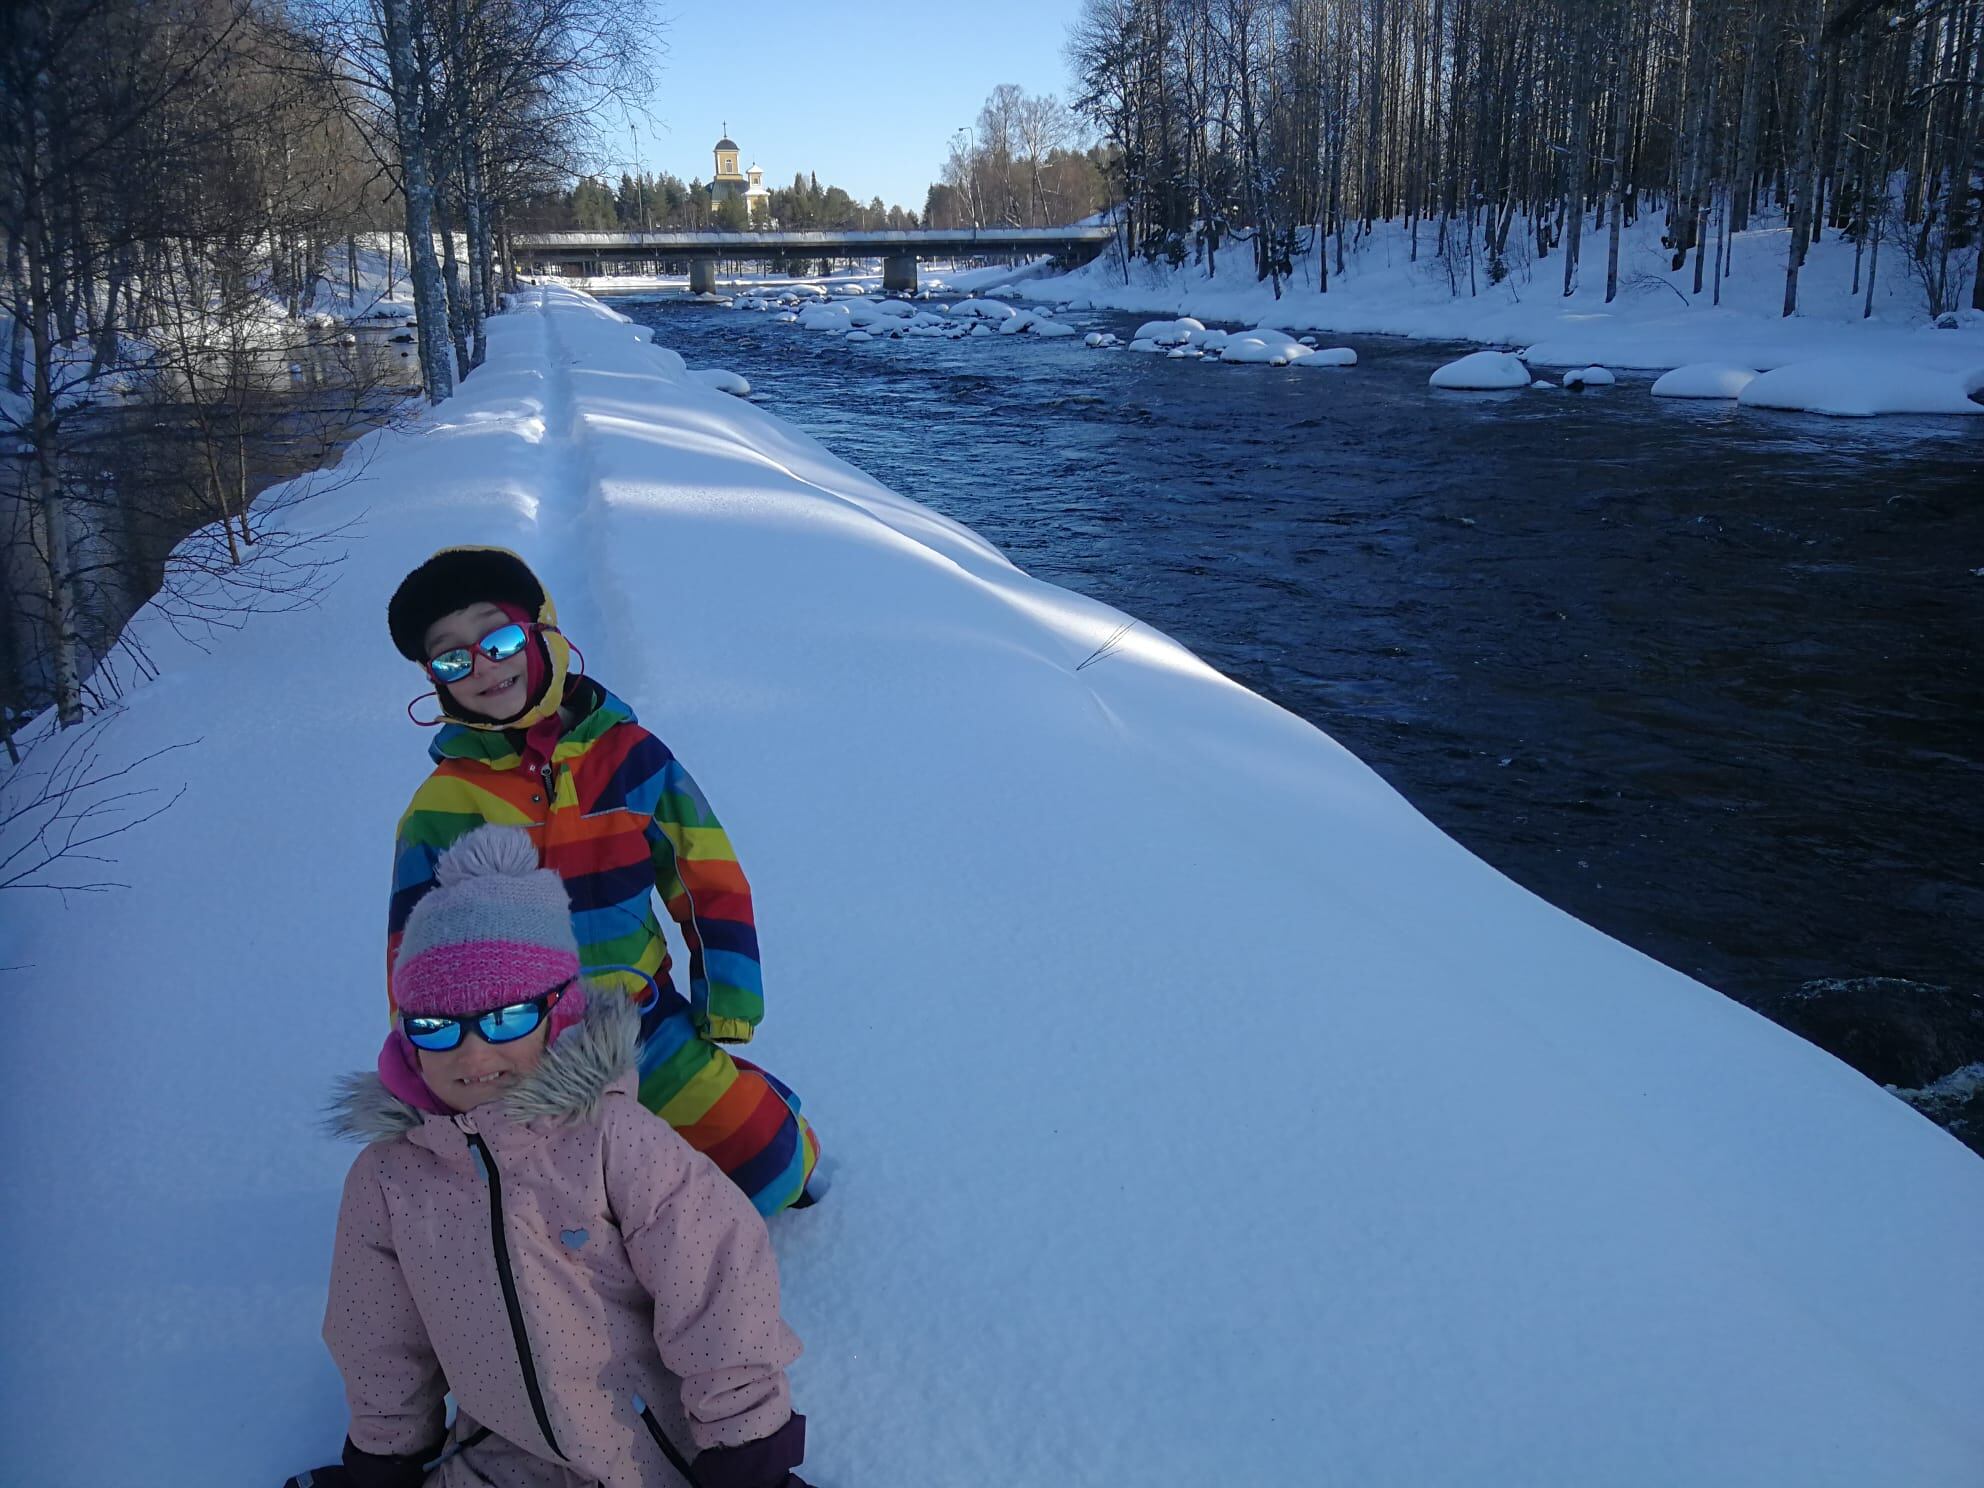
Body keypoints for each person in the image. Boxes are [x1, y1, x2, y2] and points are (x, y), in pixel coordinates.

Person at [298, 825, 812, 1488]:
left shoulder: (613, 1142)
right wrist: (385, 1458)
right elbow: (377, 1337)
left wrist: (746, 1455)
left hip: (655, 1458)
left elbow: (716, 1289)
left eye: (506, 1018)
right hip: (499, 1459)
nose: (474, 1054)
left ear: (559, 1014)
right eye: (437, 1025)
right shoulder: (391, 1178)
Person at [384, 546, 820, 1216]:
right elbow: (413, 950)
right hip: (517, 1051)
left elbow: (707, 875)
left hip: (642, 1021)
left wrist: (726, 998)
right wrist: (433, 1062)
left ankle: (751, 1102)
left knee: (772, 1168)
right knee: (543, 1216)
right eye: (452, 657)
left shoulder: (632, 757)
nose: (482, 666)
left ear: (542, 632)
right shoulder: (442, 805)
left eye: (497, 638)